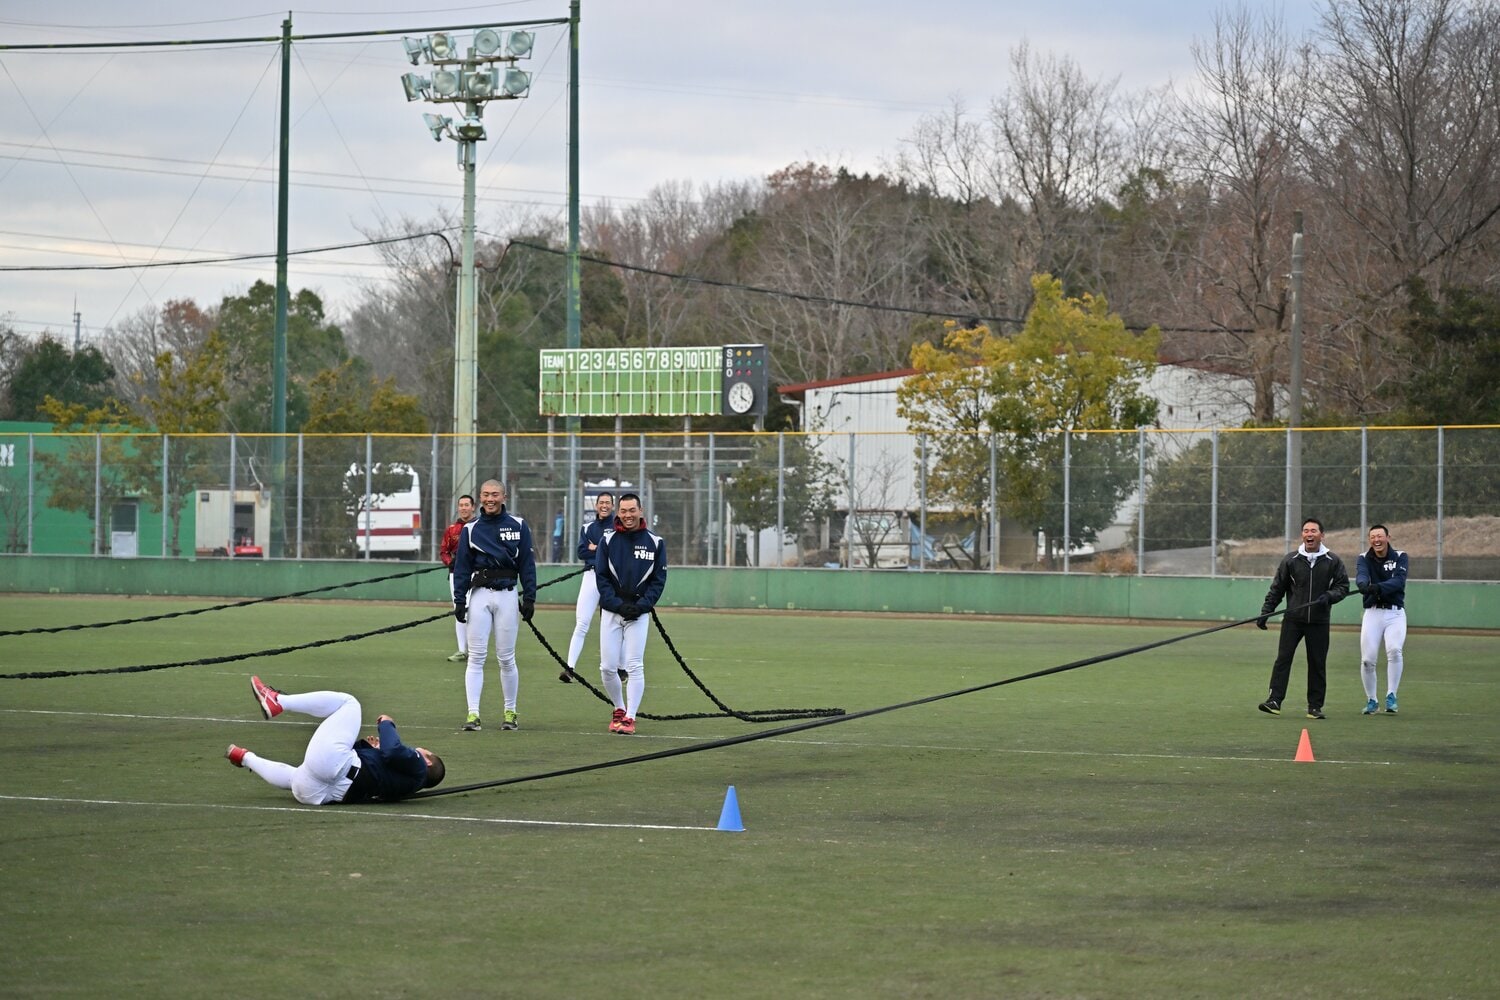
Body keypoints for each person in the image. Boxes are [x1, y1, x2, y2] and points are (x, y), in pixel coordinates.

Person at [225, 675, 444, 804]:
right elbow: (383, 763)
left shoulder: (418, 766)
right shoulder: (407, 784)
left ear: (427, 760)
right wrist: (372, 748)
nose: (416, 750)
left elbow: (394, 750)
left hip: (336, 767)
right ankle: (245, 758)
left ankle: (279, 701)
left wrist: (387, 724)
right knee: (293, 778)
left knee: (350, 704)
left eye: (422, 751)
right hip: (319, 793)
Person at [452, 479, 537, 732]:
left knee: (506, 658)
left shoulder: (519, 526)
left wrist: (530, 596)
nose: (490, 499)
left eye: (495, 494)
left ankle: (510, 712)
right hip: (479, 597)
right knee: (476, 658)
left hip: (508, 596)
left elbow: (527, 565)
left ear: (504, 497)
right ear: (480, 497)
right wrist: (459, 600)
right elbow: (462, 568)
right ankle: (473, 714)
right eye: (486, 494)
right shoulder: (470, 529)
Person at [1256, 517, 1350, 720]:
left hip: (1319, 621)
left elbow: (1343, 587)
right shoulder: (1290, 560)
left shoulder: (1333, 561)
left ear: (1321, 535)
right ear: (1302, 535)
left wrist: (1329, 596)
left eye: (1313, 531)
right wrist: (1265, 612)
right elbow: (1277, 589)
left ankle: (1314, 707)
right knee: (1283, 659)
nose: (1309, 534)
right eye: (1306, 531)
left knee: (1317, 663)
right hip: (1293, 620)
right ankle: (1274, 701)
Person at [593, 492, 667, 735]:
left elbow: (658, 580)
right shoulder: (607, 541)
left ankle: (630, 717)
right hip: (612, 612)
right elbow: (601, 577)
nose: (627, 515)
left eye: (631, 510)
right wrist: (616, 604)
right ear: (618, 512)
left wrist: (642, 606)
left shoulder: (656, 543)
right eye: (623, 511)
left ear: (640, 510)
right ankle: (618, 707)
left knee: (635, 665)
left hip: (639, 613)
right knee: (607, 667)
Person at [560, 491, 615, 683]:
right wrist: (600, 549)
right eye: (601, 502)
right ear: (596, 505)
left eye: (608, 503)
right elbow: (581, 552)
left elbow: (616, 552)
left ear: (613, 505)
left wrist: (596, 547)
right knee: (582, 623)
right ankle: (569, 668)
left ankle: (620, 669)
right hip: (590, 576)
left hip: (611, 579)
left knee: (613, 623)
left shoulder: (619, 527)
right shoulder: (587, 527)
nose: (604, 506)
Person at [1355, 523, 1408, 715]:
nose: (1376, 540)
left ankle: (1391, 695)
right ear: (1370, 540)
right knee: (1368, 660)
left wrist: (1378, 587)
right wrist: (1363, 585)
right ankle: (1372, 700)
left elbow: (1399, 581)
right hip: (1373, 613)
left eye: (1380, 536)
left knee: (1394, 650)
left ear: (1388, 538)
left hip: (1395, 613)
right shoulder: (1363, 558)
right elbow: (1361, 575)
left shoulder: (1400, 556)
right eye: (1373, 537)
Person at [439, 494, 476, 662]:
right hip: (456, 575)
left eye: (466, 504)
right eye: (461, 505)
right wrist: (450, 563)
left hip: (477, 574)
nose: (463, 508)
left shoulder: (480, 526)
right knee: (459, 610)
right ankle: (462, 650)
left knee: (475, 611)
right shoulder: (451, 529)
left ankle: (476, 649)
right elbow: (444, 552)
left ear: (473, 507)